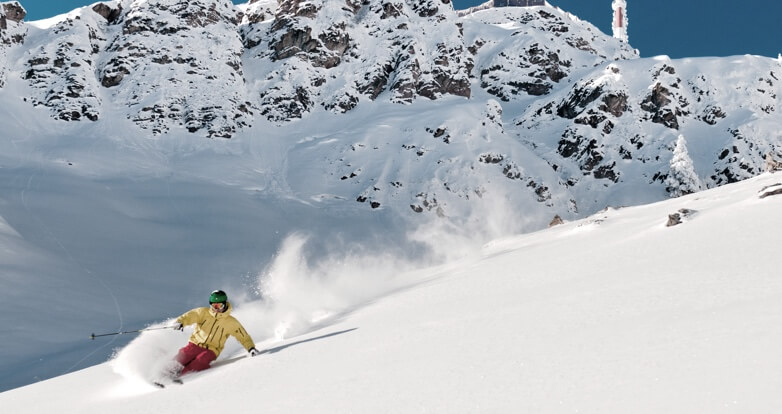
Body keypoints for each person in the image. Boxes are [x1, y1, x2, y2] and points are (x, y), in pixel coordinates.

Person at [170, 290, 260, 377]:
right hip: (195, 344)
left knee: (201, 360)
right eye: (214, 306)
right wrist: (180, 322)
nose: (216, 309)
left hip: (212, 350)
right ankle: (165, 373)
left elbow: (243, 336)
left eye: (219, 306)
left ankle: (183, 376)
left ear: (224, 305)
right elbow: (190, 316)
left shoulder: (231, 322)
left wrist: (250, 348)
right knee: (183, 355)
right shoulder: (203, 312)